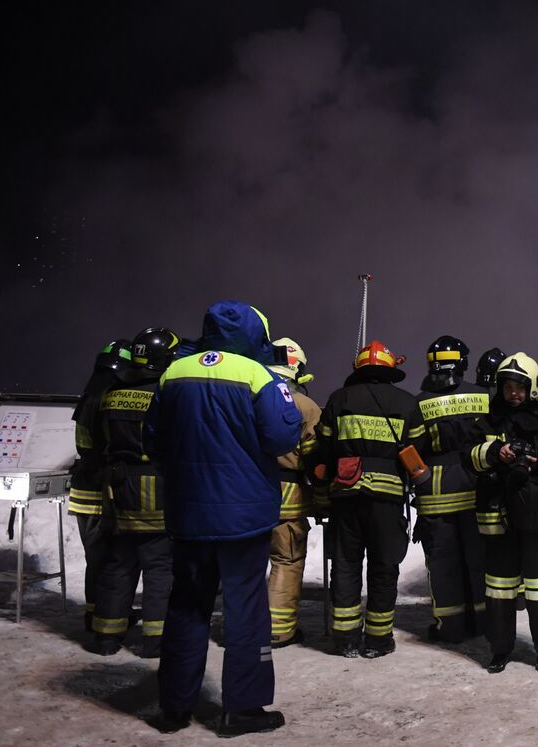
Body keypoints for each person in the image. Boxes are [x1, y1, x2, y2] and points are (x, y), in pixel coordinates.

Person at [147, 301, 301, 736]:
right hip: (244, 518)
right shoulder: (257, 375)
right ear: (255, 334)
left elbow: (153, 440)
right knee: (246, 609)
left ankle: (174, 709)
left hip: (189, 514)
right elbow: (281, 436)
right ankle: (242, 709)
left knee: (186, 607)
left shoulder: (173, 373)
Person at [309, 340, 429, 659]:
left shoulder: (338, 399)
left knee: (346, 566)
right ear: (390, 370)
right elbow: (419, 451)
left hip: (346, 497)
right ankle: (378, 640)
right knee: (383, 567)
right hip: (387, 500)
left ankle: (345, 639)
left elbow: (322, 450)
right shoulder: (406, 403)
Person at [465, 352, 538, 673]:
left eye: (520, 387)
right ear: (499, 388)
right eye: (508, 387)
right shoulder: (486, 421)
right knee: (499, 589)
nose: (514, 393)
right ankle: (500, 649)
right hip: (498, 517)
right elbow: (469, 457)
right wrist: (492, 452)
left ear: (532, 387)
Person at [91, 328, 181, 658]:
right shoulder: (165, 395)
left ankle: (106, 636)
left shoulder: (112, 394)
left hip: (118, 491)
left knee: (118, 564)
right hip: (156, 489)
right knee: (160, 567)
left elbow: (100, 443)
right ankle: (155, 639)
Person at [414, 334, 492, 643]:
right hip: (476, 490)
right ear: (463, 363)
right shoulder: (483, 396)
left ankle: (450, 628)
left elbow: (412, 450)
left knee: (443, 565)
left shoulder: (418, 403)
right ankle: (484, 623)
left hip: (435, 497)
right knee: (479, 561)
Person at [69, 338, 131, 633]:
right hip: (103, 494)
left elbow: (84, 447)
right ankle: (106, 618)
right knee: (112, 560)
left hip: (83, 493)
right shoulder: (111, 399)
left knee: (95, 559)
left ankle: (93, 615)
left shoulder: (88, 398)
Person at [267, 338, 323, 648]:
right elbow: (316, 461)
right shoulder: (306, 406)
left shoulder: (244, 397)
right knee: (285, 560)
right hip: (287, 495)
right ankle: (277, 630)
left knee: (242, 564)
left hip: (243, 493)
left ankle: (239, 629)